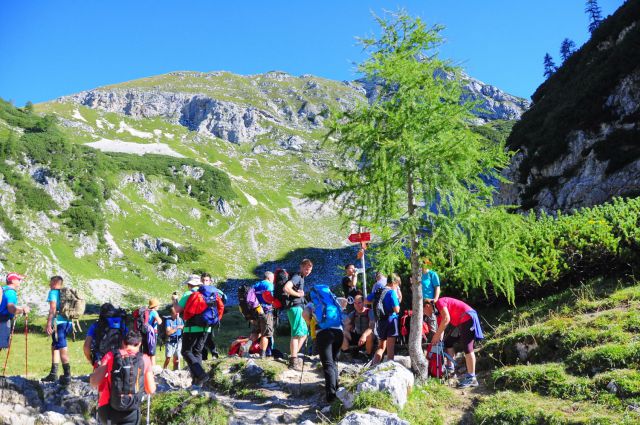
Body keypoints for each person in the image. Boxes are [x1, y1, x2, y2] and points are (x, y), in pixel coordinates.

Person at [90, 330, 156, 425]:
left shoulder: (111, 356)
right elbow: (151, 389)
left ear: (123, 342)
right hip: (131, 411)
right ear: (140, 344)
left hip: (108, 410)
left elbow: (95, 382)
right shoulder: (144, 359)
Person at [424, 296, 484, 388]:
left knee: (468, 347)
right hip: (460, 322)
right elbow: (441, 328)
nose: (425, 314)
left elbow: (446, 319)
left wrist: (436, 336)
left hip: (468, 317)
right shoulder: (438, 313)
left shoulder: (440, 302)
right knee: (448, 342)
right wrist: (438, 341)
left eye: (423, 311)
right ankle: (450, 369)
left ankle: (472, 378)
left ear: (427, 306)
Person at [172, 274, 210, 385]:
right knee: (197, 352)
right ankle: (197, 381)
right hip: (206, 327)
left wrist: (174, 301)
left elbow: (177, 310)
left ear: (189, 284)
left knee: (186, 351)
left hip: (191, 328)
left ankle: (201, 375)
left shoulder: (189, 293)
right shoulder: (206, 292)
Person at [309, 285, 344, 403]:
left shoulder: (313, 303)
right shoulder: (333, 301)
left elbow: (304, 315)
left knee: (328, 364)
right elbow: (343, 307)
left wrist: (311, 321)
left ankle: (330, 397)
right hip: (339, 332)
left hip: (324, 333)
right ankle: (337, 389)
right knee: (334, 362)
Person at [43, 276, 73, 384]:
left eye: (51, 283)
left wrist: (48, 324)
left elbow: (53, 309)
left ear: (55, 283)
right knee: (55, 345)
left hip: (58, 323)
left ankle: (67, 375)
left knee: (62, 346)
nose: (49, 285)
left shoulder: (53, 293)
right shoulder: (65, 293)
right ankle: (53, 374)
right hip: (68, 323)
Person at [283, 259, 312, 370]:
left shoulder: (301, 278)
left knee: (304, 333)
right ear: (301, 267)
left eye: (309, 270)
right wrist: (298, 295)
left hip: (298, 308)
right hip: (295, 308)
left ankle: (293, 356)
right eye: (306, 269)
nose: (307, 271)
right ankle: (293, 360)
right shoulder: (297, 276)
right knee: (296, 334)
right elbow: (286, 288)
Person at [368, 273, 401, 365]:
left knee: (381, 346)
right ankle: (390, 367)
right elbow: (397, 310)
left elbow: (366, 300)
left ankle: (374, 366)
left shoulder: (378, 291)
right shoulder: (391, 292)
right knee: (390, 347)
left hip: (380, 321)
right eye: (397, 285)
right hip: (391, 320)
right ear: (394, 283)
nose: (397, 287)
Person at [0, 272, 30, 351]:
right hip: (3, 321)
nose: (20, 282)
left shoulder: (3, 290)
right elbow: (11, 309)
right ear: (13, 281)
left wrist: (20, 307)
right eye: (19, 280)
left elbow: (5, 306)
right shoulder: (11, 292)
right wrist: (22, 310)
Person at [251, 271, 275, 359]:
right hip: (266, 312)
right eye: (273, 278)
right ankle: (263, 355)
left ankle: (245, 347)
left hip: (256, 311)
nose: (273, 280)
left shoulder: (256, 285)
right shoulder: (269, 285)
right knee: (266, 333)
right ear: (269, 278)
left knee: (255, 332)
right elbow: (271, 298)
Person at [200, 273, 223, 360]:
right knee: (205, 337)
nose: (204, 282)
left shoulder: (214, 292)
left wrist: (218, 318)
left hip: (210, 318)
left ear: (210, 281)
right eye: (203, 280)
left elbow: (221, 305)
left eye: (206, 280)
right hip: (203, 318)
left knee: (205, 336)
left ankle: (211, 355)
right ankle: (211, 355)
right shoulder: (200, 291)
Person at [421, 259, 441, 335]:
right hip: (420, 303)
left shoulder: (432, 274)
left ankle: (435, 343)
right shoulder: (418, 275)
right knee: (420, 324)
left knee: (432, 323)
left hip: (430, 302)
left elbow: (437, 287)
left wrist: (435, 299)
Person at [142, 298, 162, 366]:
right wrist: (159, 319)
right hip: (152, 334)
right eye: (158, 305)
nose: (158, 306)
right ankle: (153, 370)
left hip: (144, 333)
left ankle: (145, 368)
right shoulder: (154, 312)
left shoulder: (146, 311)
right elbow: (159, 322)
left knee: (146, 352)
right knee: (152, 353)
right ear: (155, 305)